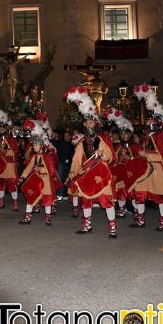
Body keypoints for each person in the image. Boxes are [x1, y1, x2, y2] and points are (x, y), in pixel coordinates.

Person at [65, 86, 117, 238]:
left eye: (91, 122)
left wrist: (102, 155)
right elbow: (76, 159)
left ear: (95, 123)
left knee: (106, 201)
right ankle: (87, 226)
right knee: (86, 201)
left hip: (101, 173)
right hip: (86, 174)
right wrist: (72, 172)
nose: (89, 125)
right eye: (87, 123)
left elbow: (111, 156)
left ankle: (113, 228)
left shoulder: (103, 139)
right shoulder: (81, 141)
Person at [132, 84, 163, 231]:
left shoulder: (161, 136)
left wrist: (147, 154)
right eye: (149, 121)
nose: (148, 123)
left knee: (158, 196)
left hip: (156, 170)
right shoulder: (147, 136)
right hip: (144, 169)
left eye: (151, 121)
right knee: (140, 193)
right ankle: (140, 220)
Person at [18, 122, 59, 225]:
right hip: (36, 180)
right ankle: (27, 217)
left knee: (47, 199)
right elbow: (28, 168)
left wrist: (40, 170)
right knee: (31, 196)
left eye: (36, 145)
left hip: (46, 181)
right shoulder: (34, 156)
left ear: (41, 145)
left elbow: (51, 170)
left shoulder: (47, 156)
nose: (34, 147)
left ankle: (48, 218)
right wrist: (23, 176)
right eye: (34, 145)